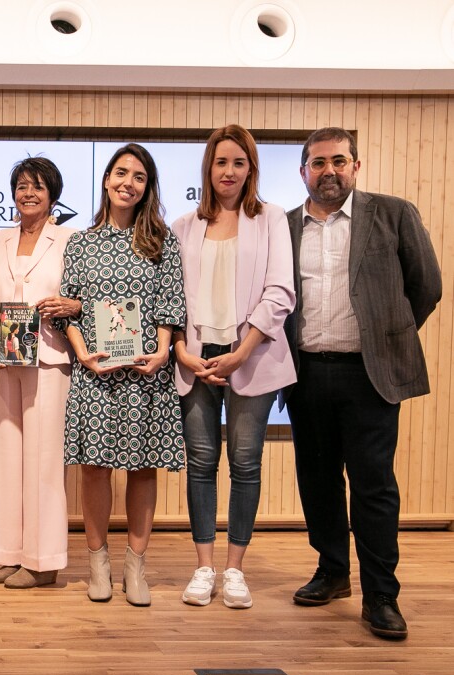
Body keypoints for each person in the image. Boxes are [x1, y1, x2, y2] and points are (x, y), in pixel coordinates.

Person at [284, 127, 442, 639]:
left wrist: (383, 338)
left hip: (369, 376)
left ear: (356, 165)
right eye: (318, 162)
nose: (328, 170)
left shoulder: (393, 214)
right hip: (306, 373)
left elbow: (426, 286)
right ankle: (333, 572)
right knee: (318, 480)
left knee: (374, 487)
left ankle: (381, 596)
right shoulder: (284, 226)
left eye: (339, 160)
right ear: (303, 170)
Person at [171, 125, 296, 609]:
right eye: (221, 163)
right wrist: (184, 351)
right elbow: (172, 300)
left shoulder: (270, 218)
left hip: (253, 356)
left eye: (238, 163)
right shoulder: (184, 226)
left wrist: (242, 350)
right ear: (208, 168)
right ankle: (204, 567)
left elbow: (280, 291)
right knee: (201, 464)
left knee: (246, 464)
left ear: (251, 170)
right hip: (198, 359)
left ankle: (235, 570)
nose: (229, 172)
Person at [60, 143, 186, 607]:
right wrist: (83, 356)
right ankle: (98, 565)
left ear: (147, 186)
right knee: (95, 470)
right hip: (95, 374)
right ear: (106, 179)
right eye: (120, 173)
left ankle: (136, 566)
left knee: (142, 469)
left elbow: (172, 305)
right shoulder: (81, 242)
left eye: (138, 176)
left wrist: (161, 351)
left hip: (145, 374)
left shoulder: (162, 241)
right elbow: (67, 310)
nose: (127, 182)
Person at [0, 157, 79, 589]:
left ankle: (44, 560)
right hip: (6, 362)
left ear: (53, 194)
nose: (28, 193)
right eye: (21, 185)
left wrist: (69, 307)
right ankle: (10, 553)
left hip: (51, 360)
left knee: (44, 461)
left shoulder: (73, 240)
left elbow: (81, 299)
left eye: (37, 186)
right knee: (9, 456)